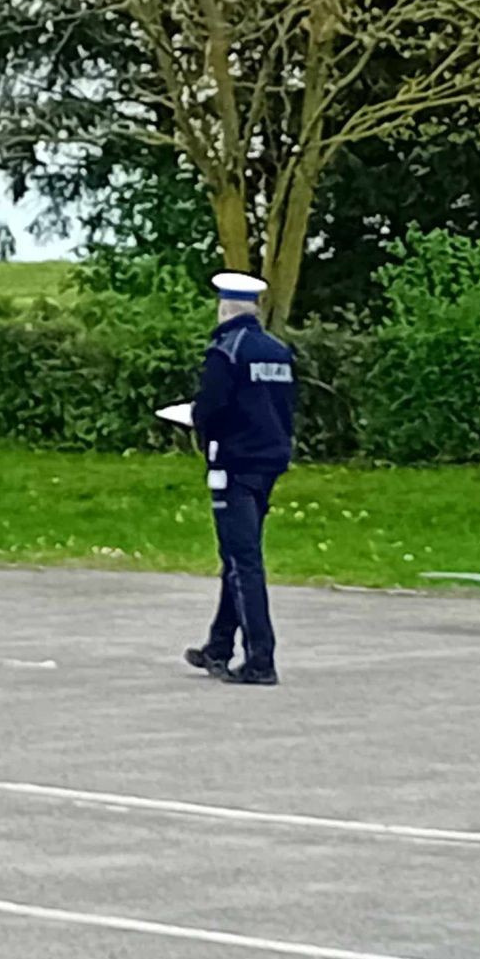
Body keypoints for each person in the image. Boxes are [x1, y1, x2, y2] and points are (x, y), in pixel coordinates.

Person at [183, 272, 296, 686]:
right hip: (270, 461)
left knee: (243, 561)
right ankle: (218, 645)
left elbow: (210, 409)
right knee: (237, 555)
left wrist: (198, 426)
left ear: (224, 308)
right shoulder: (278, 352)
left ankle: (260, 659)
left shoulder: (225, 352)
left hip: (233, 464)